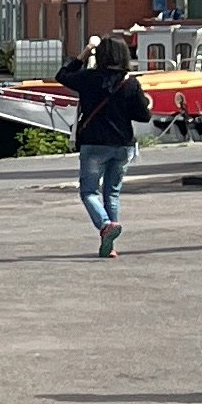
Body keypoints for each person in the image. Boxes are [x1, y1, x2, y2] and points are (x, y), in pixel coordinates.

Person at [60, 32, 154, 258]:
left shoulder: (88, 78)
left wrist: (85, 52)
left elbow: (62, 75)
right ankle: (110, 245)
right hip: (122, 145)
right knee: (112, 193)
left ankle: (105, 225)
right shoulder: (130, 83)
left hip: (94, 143)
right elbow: (144, 116)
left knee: (89, 192)